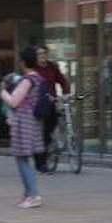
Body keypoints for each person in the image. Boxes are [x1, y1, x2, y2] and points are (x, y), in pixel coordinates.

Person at [0, 46, 44, 208]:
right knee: (23, 158)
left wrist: (2, 92)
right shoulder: (38, 78)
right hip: (33, 120)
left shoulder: (27, 80)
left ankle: (33, 194)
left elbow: (13, 101)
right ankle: (28, 194)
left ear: (23, 62)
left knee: (22, 159)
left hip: (23, 121)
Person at [32, 44, 70, 172]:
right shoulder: (33, 69)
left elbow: (62, 80)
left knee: (48, 132)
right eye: (39, 53)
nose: (43, 56)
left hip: (51, 103)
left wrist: (66, 92)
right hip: (37, 105)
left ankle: (46, 154)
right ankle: (40, 163)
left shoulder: (52, 67)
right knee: (40, 134)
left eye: (44, 53)